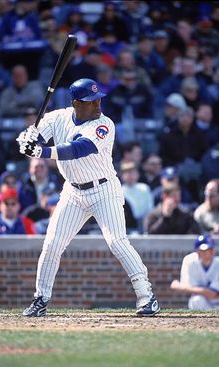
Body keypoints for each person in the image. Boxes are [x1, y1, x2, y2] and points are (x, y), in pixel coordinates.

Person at [17, 77, 160, 317]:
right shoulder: (58, 117)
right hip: (73, 192)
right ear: (76, 104)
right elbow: (34, 135)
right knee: (52, 244)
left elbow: (77, 150)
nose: (97, 105)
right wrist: (27, 140)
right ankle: (40, 298)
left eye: (98, 100)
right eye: (90, 101)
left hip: (104, 190)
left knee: (116, 241)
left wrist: (40, 151)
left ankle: (147, 296)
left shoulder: (104, 125)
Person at [170, 235, 219, 310]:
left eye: (211, 248)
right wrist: (203, 291)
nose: (211, 251)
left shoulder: (217, 264)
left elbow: (212, 294)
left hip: (217, 302)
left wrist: (181, 287)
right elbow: (188, 286)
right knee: (196, 300)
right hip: (202, 302)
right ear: (198, 252)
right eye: (206, 249)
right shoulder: (190, 261)